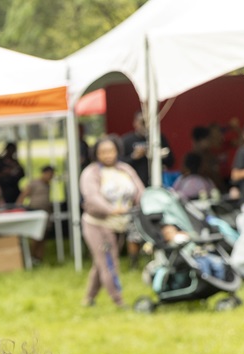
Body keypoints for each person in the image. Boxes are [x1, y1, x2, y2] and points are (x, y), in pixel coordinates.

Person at [79, 137, 144, 307]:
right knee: (109, 262)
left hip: (119, 224)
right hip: (98, 224)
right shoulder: (91, 172)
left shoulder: (125, 169)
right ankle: (119, 301)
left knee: (101, 262)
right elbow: (92, 197)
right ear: (96, 154)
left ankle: (88, 299)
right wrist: (111, 210)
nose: (107, 155)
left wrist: (146, 203)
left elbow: (139, 191)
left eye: (111, 151)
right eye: (103, 152)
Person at [121, 113, 172, 267]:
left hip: (156, 188)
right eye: (142, 122)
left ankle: (162, 255)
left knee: (159, 222)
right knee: (135, 226)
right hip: (135, 192)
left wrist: (160, 155)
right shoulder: (127, 140)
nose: (145, 125)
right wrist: (134, 157)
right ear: (135, 123)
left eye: (148, 122)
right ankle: (134, 261)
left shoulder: (158, 138)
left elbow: (172, 160)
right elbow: (120, 164)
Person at [159, 222, 228, 280]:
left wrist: (187, 235)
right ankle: (210, 281)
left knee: (217, 262)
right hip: (190, 263)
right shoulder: (169, 248)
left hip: (200, 255)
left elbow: (196, 240)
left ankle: (221, 280)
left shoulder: (185, 236)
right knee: (203, 265)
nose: (173, 233)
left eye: (174, 231)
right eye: (169, 233)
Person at [18, 165, 55, 263]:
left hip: (46, 212)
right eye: (49, 174)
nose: (50, 177)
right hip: (35, 211)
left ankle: (39, 257)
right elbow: (23, 195)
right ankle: (31, 255)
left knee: (44, 235)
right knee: (35, 236)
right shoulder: (34, 183)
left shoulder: (48, 185)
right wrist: (19, 207)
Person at [0, 142, 25, 206]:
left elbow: (22, 173)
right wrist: (6, 173)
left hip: (14, 189)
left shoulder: (15, 162)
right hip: (2, 190)